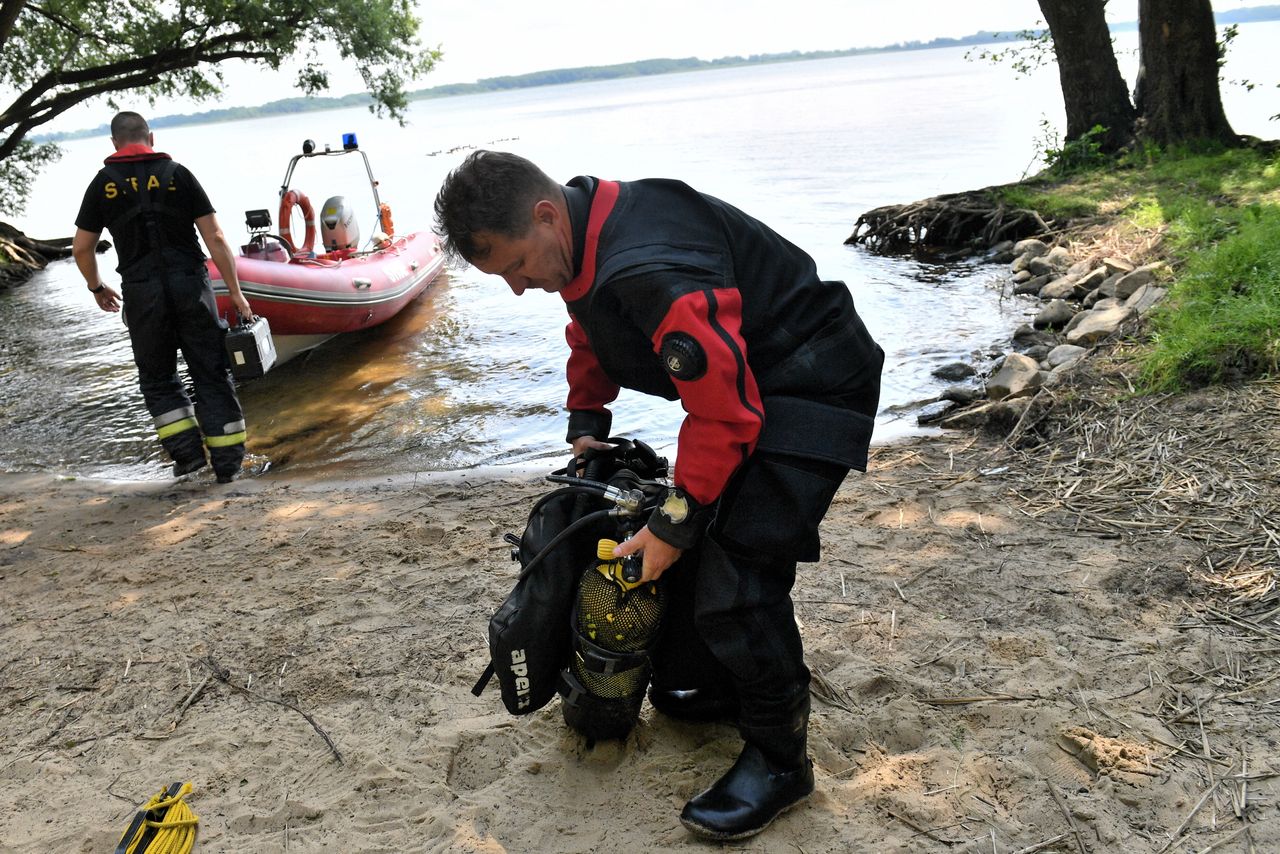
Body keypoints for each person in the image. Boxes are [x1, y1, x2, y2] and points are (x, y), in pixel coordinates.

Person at [434, 151, 884, 841]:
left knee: (740, 573)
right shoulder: (584, 235)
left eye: (515, 267)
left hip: (811, 381)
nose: (519, 288)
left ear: (544, 215)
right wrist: (588, 421)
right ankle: (716, 687)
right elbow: (590, 324)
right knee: (701, 535)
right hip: (750, 385)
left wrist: (675, 522)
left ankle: (781, 760)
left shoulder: (650, 268)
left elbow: (727, 416)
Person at [71, 112, 254, 483]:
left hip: (142, 294)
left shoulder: (102, 184)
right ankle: (228, 466)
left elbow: (81, 248)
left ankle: (188, 460)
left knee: (158, 378)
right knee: (211, 372)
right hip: (191, 287)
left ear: (113, 143)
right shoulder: (179, 174)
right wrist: (235, 293)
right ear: (150, 138)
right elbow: (216, 239)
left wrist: (97, 286)